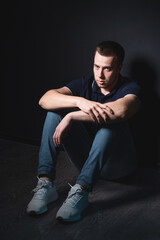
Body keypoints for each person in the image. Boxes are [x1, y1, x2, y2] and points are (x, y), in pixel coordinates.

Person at [27, 41, 141, 222]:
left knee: (112, 123)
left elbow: (121, 111)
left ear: (119, 68)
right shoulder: (85, 84)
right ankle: (46, 184)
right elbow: (45, 99)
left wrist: (72, 116)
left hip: (118, 167)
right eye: (96, 66)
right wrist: (79, 101)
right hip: (87, 161)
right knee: (54, 111)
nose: (100, 74)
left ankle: (81, 191)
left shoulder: (130, 87)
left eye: (107, 69)